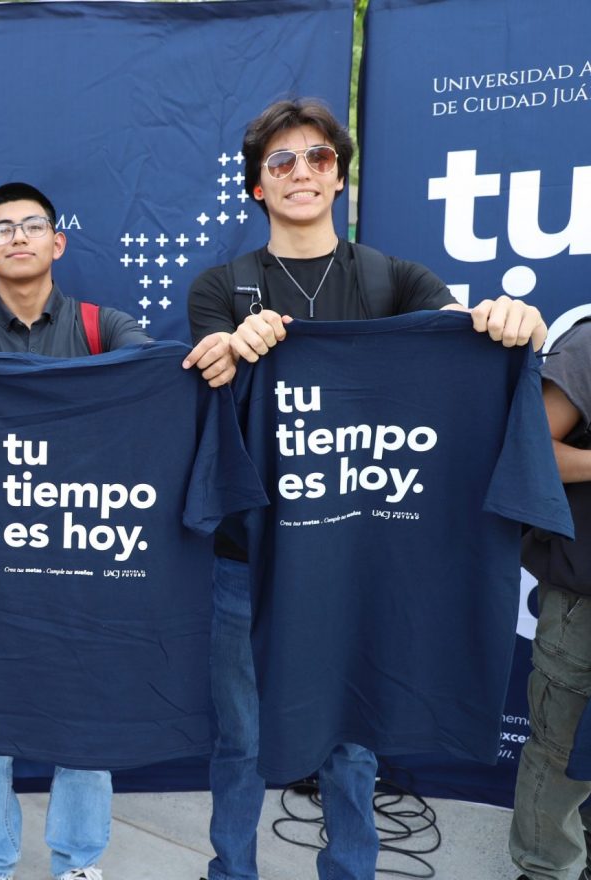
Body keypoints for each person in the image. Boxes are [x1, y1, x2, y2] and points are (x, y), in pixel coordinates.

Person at [186, 97, 546, 880]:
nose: (302, 172)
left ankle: (350, 871)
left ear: (339, 177)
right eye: (282, 161)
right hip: (245, 560)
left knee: (352, 737)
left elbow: (465, 344)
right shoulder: (223, 287)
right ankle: (231, 871)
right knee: (242, 738)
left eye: (318, 157)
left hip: (356, 552)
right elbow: (204, 385)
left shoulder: (394, 278)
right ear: (257, 186)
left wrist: (519, 325)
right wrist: (229, 350)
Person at [0, 181, 159, 880]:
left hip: (83, 554)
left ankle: (79, 862)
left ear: (58, 242)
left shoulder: (107, 328)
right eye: (2, 229)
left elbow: (158, 380)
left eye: (32, 225)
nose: (18, 237)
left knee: (87, 717)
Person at [510, 319, 591, 880]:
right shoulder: (588, 346)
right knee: (560, 752)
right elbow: (531, 450)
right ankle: (546, 871)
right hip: (583, 599)